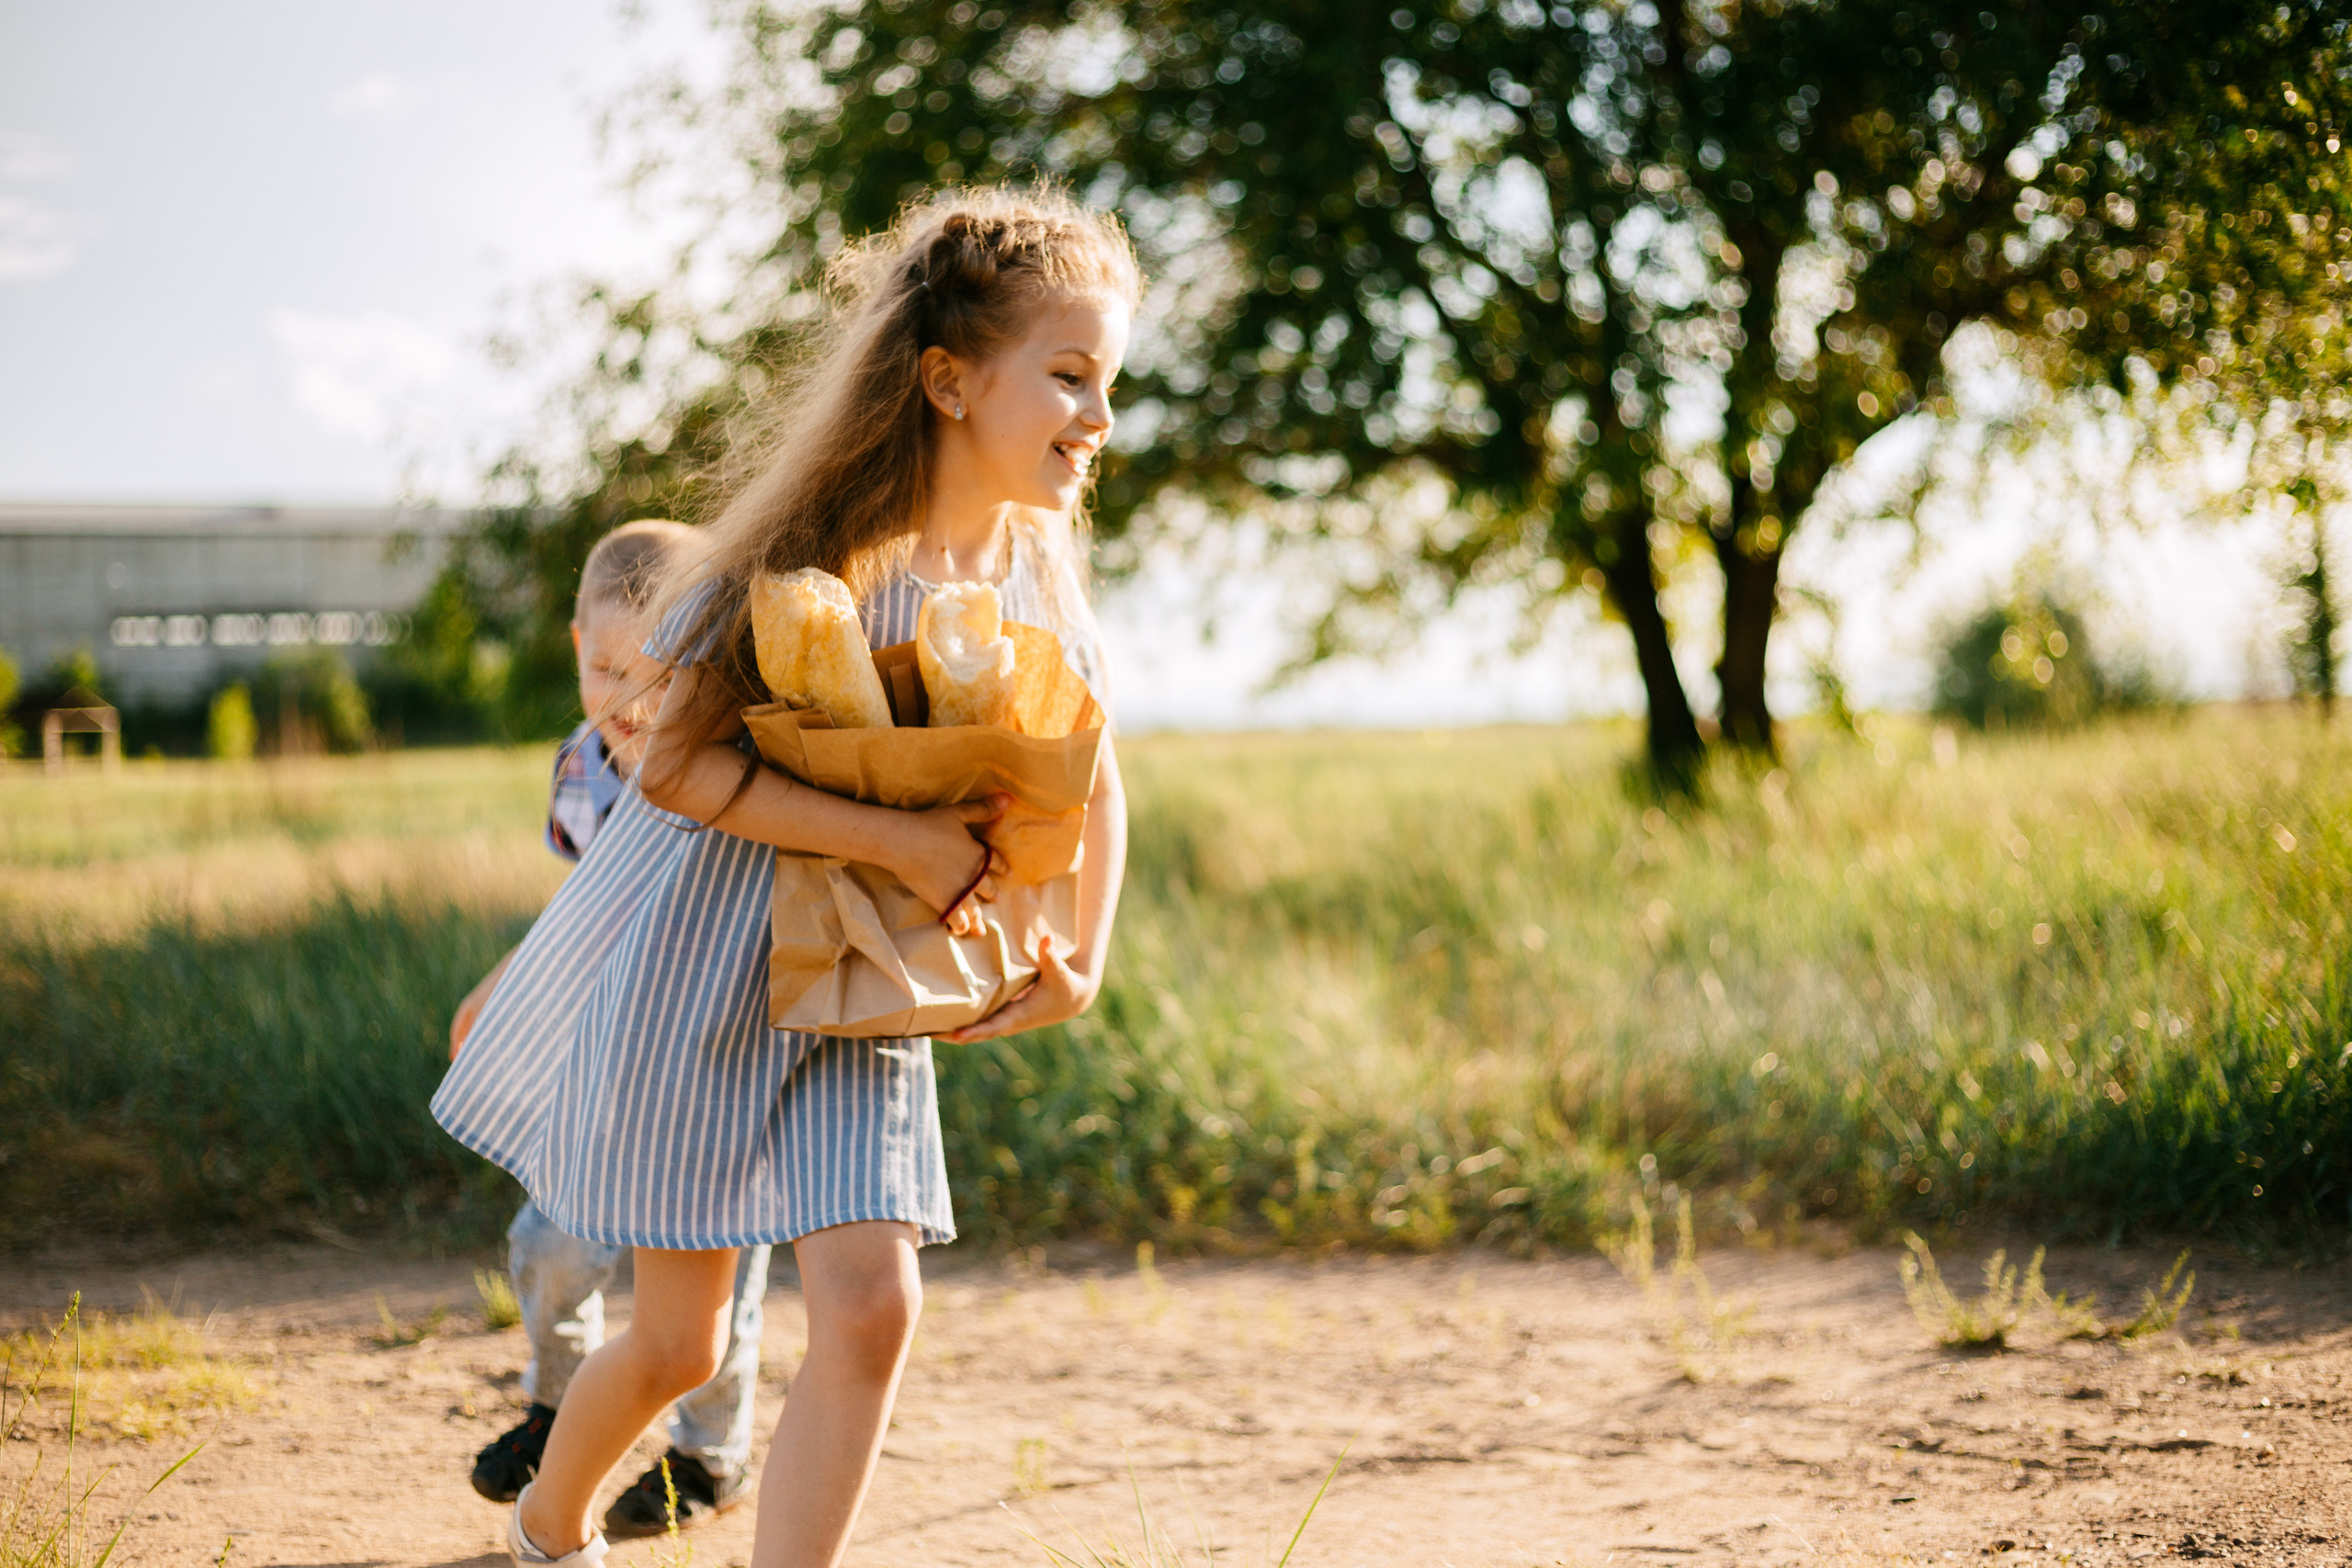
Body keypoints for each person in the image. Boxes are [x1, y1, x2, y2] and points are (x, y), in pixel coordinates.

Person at [431, 184, 1136, 1568]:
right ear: (948, 379)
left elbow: (1095, 770)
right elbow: (677, 769)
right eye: (1070, 376)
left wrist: (1083, 955)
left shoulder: (1036, 569)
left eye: (1109, 382)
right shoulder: (804, 549)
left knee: (872, 1309)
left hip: (865, 984)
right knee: (678, 1342)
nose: (1100, 416)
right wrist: (906, 841)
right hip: (701, 977)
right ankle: (547, 1528)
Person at [447, 518, 775, 1540]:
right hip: (607, 1054)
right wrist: (503, 980)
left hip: (716, 1056)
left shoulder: (743, 764)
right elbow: (584, 904)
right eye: (604, 670)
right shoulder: (583, 768)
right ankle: (560, 1405)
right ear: (575, 646)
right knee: (552, 1239)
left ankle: (707, 1454)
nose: (630, 702)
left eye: (661, 675)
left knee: (719, 1284)